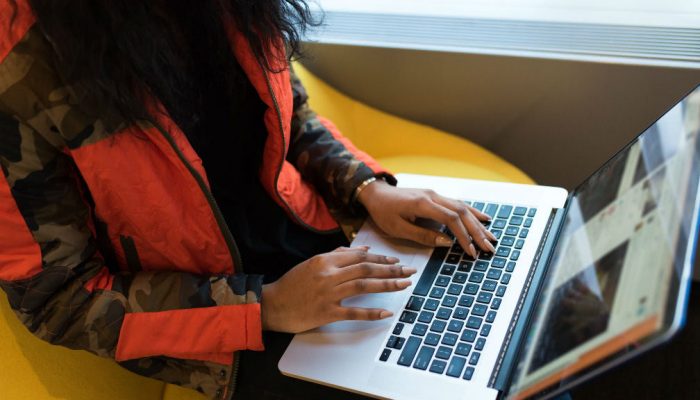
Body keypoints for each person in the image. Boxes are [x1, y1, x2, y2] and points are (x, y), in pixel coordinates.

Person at [0, 1, 496, 398]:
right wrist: (266, 305)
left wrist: (370, 189)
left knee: (504, 331)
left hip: (323, 236)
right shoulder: (18, 69)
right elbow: (55, 301)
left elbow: (291, 115)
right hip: (222, 328)